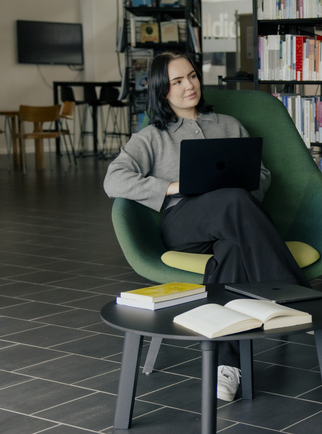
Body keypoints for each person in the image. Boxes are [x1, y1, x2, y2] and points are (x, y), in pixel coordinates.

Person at [103, 51, 308, 402]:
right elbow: (114, 181)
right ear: (161, 91)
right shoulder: (153, 136)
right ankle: (290, 289)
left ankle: (225, 367)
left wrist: (239, 187)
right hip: (185, 226)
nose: (189, 86)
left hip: (233, 224)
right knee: (232, 201)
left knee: (232, 249)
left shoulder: (229, 125)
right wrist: (171, 187)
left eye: (192, 76)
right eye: (177, 81)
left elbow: (261, 175)